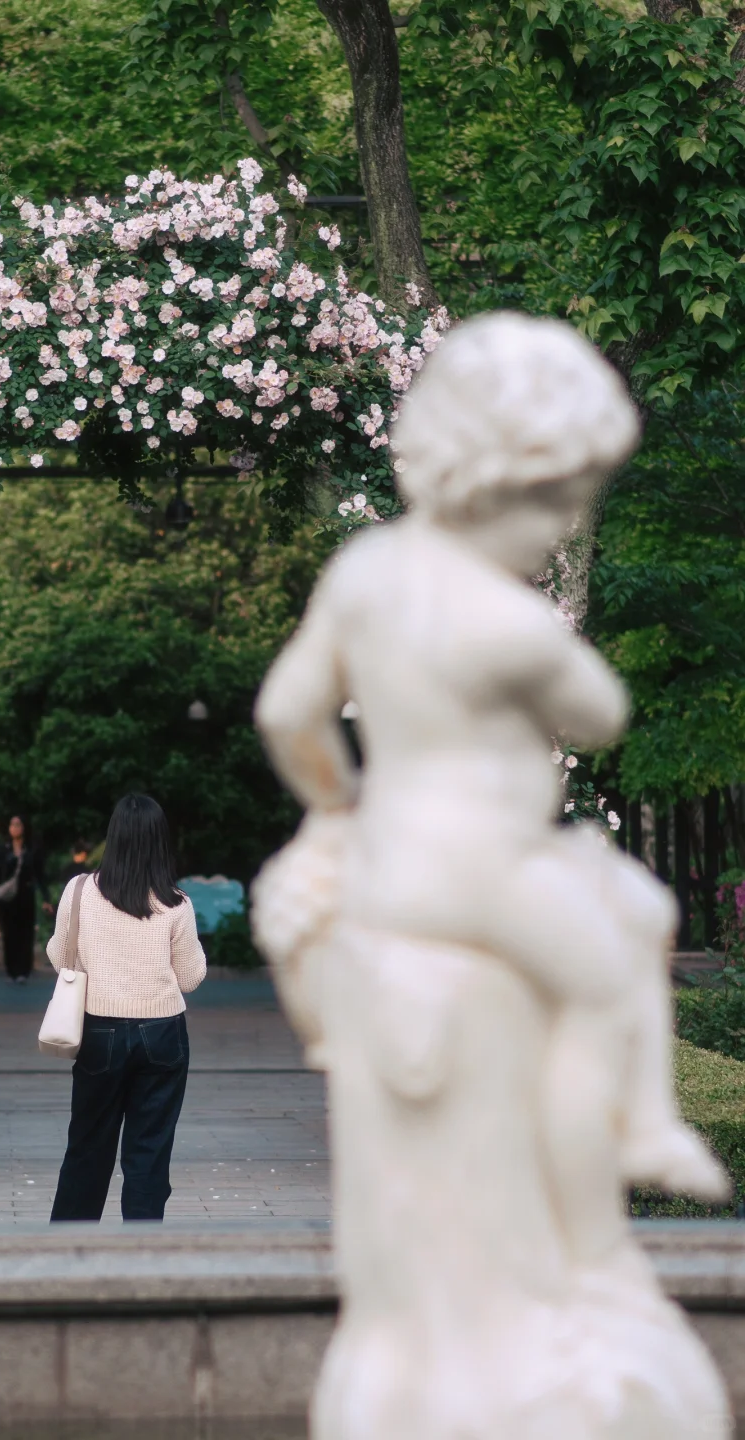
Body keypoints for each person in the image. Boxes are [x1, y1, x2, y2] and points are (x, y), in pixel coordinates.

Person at [254, 312, 725, 1268]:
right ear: (492, 484)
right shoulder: (507, 622)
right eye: (555, 505)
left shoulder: (365, 572)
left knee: (630, 909)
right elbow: (601, 714)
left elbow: (286, 714)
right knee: (608, 977)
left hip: (392, 859)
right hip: (483, 871)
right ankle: (611, 1174)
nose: (561, 528)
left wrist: (338, 804)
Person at [49, 794, 206, 1223]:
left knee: (87, 1147)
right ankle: (143, 1248)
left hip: (99, 1031)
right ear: (160, 840)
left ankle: (67, 1248)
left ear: (113, 836)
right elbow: (190, 977)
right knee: (149, 1152)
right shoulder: (177, 903)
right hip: (163, 1033)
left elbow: (60, 956)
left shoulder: (79, 891)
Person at [0, 814, 48, 983]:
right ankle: (11, 969)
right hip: (8, 898)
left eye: (18, 824)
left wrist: (46, 898)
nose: (15, 828)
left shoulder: (31, 849)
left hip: (26, 895)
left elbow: (40, 874)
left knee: (25, 933)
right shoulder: (4, 849)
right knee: (9, 933)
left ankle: (24, 970)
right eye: (12, 824)